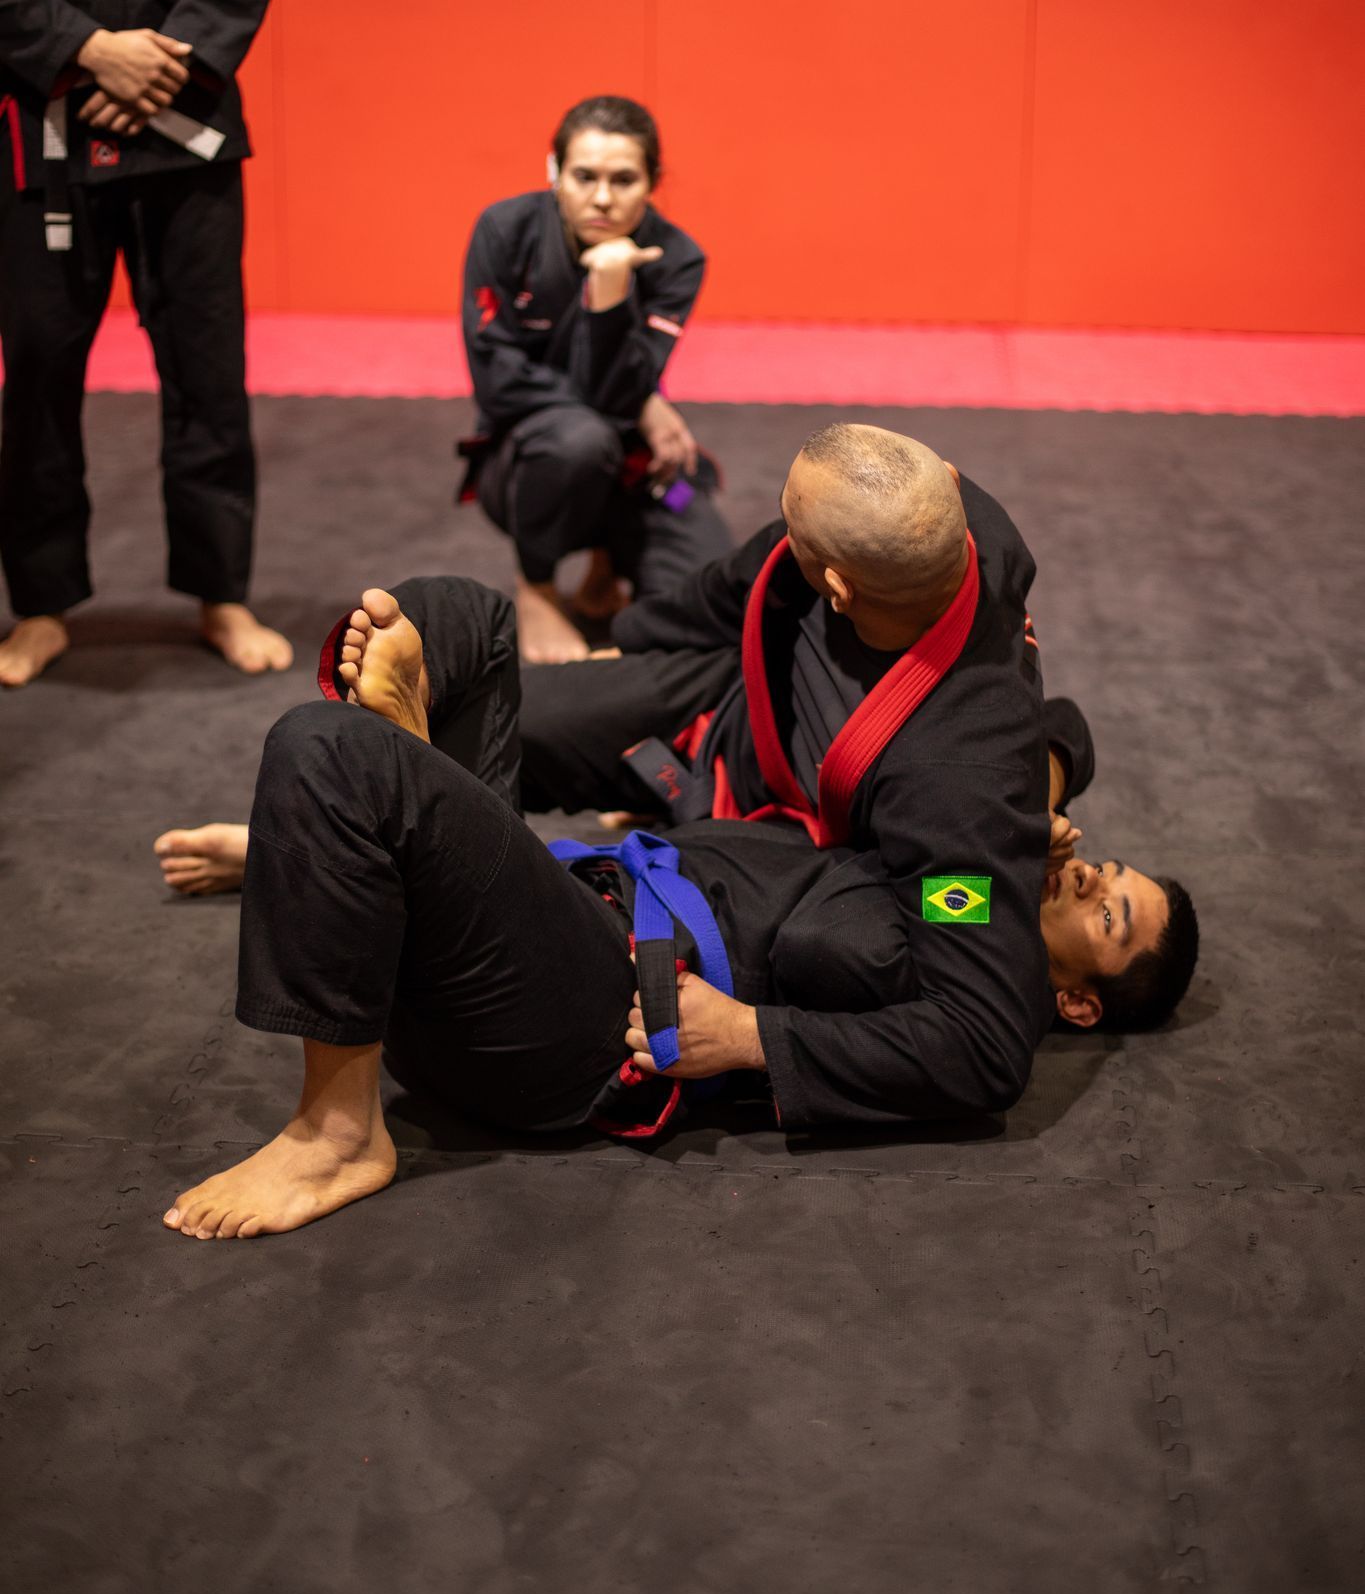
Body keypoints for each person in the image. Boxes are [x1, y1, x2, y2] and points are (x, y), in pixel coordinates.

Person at [159, 436, 1198, 1241]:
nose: (1091, 867)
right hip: (637, 850)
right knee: (457, 620)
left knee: (325, 750)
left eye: (1110, 905)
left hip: (590, 999)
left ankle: (337, 1129)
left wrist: (748, 1035)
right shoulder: (945, 531)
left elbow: (979, 1039)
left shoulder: (961, 843)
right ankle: (360, 855)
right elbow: (765, 584)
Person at [0, 0, 290, 687]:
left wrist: (162, 67)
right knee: (39, 375)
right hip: (46, 135)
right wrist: (89, 53)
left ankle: (221, 591)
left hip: (187, 129)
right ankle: (41, 603)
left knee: (208, 369)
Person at [461, 93, 731, 664]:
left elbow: (621, 393)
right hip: (530, 465)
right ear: (555, 171)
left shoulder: (679, 257)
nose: (602, 198)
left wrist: (610, 301)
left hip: (629, 466)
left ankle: (612, 569)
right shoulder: (504, 231)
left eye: (624, 179)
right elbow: (498, 383)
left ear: (653, 180)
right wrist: (644, 404)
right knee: (579, 439)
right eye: (584, 176)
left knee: (710, 572)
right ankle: (536, 587)